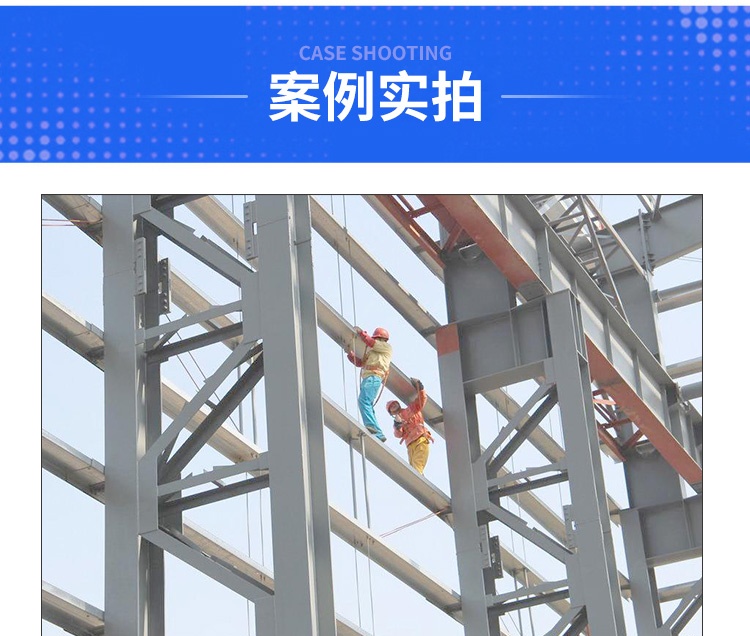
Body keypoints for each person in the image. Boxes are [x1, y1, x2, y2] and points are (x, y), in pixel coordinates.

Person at [346, 326, 392, 442]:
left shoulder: (386, 347)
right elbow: (361, 363)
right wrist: (350, 355)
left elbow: (371, 342)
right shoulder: (372, 352)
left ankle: (374, 430)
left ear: (382, 339)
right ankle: (378, 433)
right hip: (368, 378)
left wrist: (362, 333)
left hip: (373, 377)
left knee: (363, 401)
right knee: (367, 404)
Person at [387, 378, 433, 475]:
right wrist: (397, 425)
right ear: (391, 412)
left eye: (394, 403)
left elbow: (421, 400)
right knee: (413, 469)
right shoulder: (397, 421)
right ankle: (419, 481)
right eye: (391, 406)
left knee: (417, 465)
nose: (393, 405)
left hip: (420, 438)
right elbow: (398, 434)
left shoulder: (410, 410)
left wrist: (420, 387)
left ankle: (419, 481)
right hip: (410, 445)